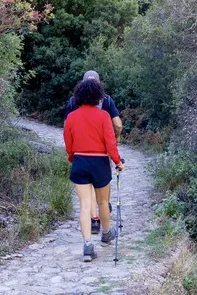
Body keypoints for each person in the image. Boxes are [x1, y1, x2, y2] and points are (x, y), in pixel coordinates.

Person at [64, 79, 125, 262]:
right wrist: (118, 162)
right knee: (103, 202)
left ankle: (87, 245)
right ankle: (106, 234)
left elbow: (68, 142)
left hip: (80, 161)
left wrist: (72, 157)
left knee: (84, 205)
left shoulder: (71, 117)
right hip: (100, 163)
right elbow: (110, 143)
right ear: (98, 96)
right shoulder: (104, 116)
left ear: (78, 96)